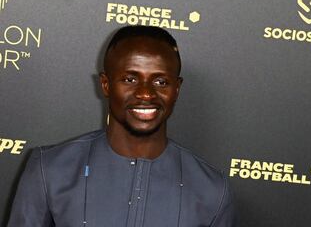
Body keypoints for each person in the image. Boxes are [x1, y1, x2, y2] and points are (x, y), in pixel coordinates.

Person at [7, 25, 236, 227]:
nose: (145, 93)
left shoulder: (212, 190)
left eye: (160, 81)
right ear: (106, 85)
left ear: (176, 89)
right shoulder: (49, 170)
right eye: (130, 79)